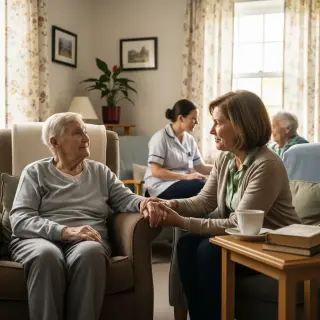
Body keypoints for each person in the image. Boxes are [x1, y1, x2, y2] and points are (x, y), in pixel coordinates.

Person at [144, 91, 301, 320]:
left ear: (241, 125)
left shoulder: (266, 164)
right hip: (244, 243)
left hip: (272, 245)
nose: (210, 131)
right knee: (187, 246)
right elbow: (205, 200)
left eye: (217, 123)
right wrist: (168, 203)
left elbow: (239, 223)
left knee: (210, 251)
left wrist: (179, 221)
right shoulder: (226, 158)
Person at [8, 112, 161, 320]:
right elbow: (20, 219)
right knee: (46, 256)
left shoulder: (101, 172)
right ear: (55, 142)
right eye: (78, 133)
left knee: (91, 253)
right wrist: (64, 231)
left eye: (86, 132)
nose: (86, 138)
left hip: (87, 239)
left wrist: (145, 202)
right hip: (38, 239)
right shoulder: (35, 172)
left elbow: (126, 199)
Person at [143, 99, 213, 320]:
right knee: (198, 186)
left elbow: (201, 167)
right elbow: (155, 171)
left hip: (183, 185)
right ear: (181, 118)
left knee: (204, 184)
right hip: (159, 189)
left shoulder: (189, 139)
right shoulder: (159, 138)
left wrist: (223, 167)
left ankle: (200, 230)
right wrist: (187, 176)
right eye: (193, 118)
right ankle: (201, 230)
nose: (196, 122)